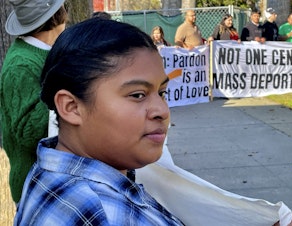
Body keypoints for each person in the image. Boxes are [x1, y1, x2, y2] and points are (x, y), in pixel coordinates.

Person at [14, 17, 184, 225]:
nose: (162, 111)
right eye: (138, 95)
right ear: (71, 107)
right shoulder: (100, 214)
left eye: (161, 92)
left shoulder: (52, 170)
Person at [0, 0, 67, 203]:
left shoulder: (45, 52)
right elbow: (29, 133)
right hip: (37, 188)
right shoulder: (21, 65)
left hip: (54, 181)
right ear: (57, 15)